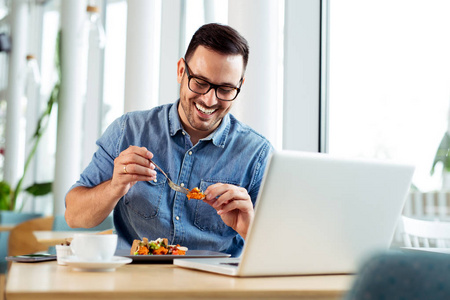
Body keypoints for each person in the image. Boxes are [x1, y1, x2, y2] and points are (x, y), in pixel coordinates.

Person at [65, 23, 273, 257]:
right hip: (136, 284)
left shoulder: (258, 155)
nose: (209, 100)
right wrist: (114, 187)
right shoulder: (129, 131)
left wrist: (250, 229)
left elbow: (281, 254)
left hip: (216, 289)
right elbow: (74, 216)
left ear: (239, 85)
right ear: (181, 71)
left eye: (224, 89)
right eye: (200, 83)